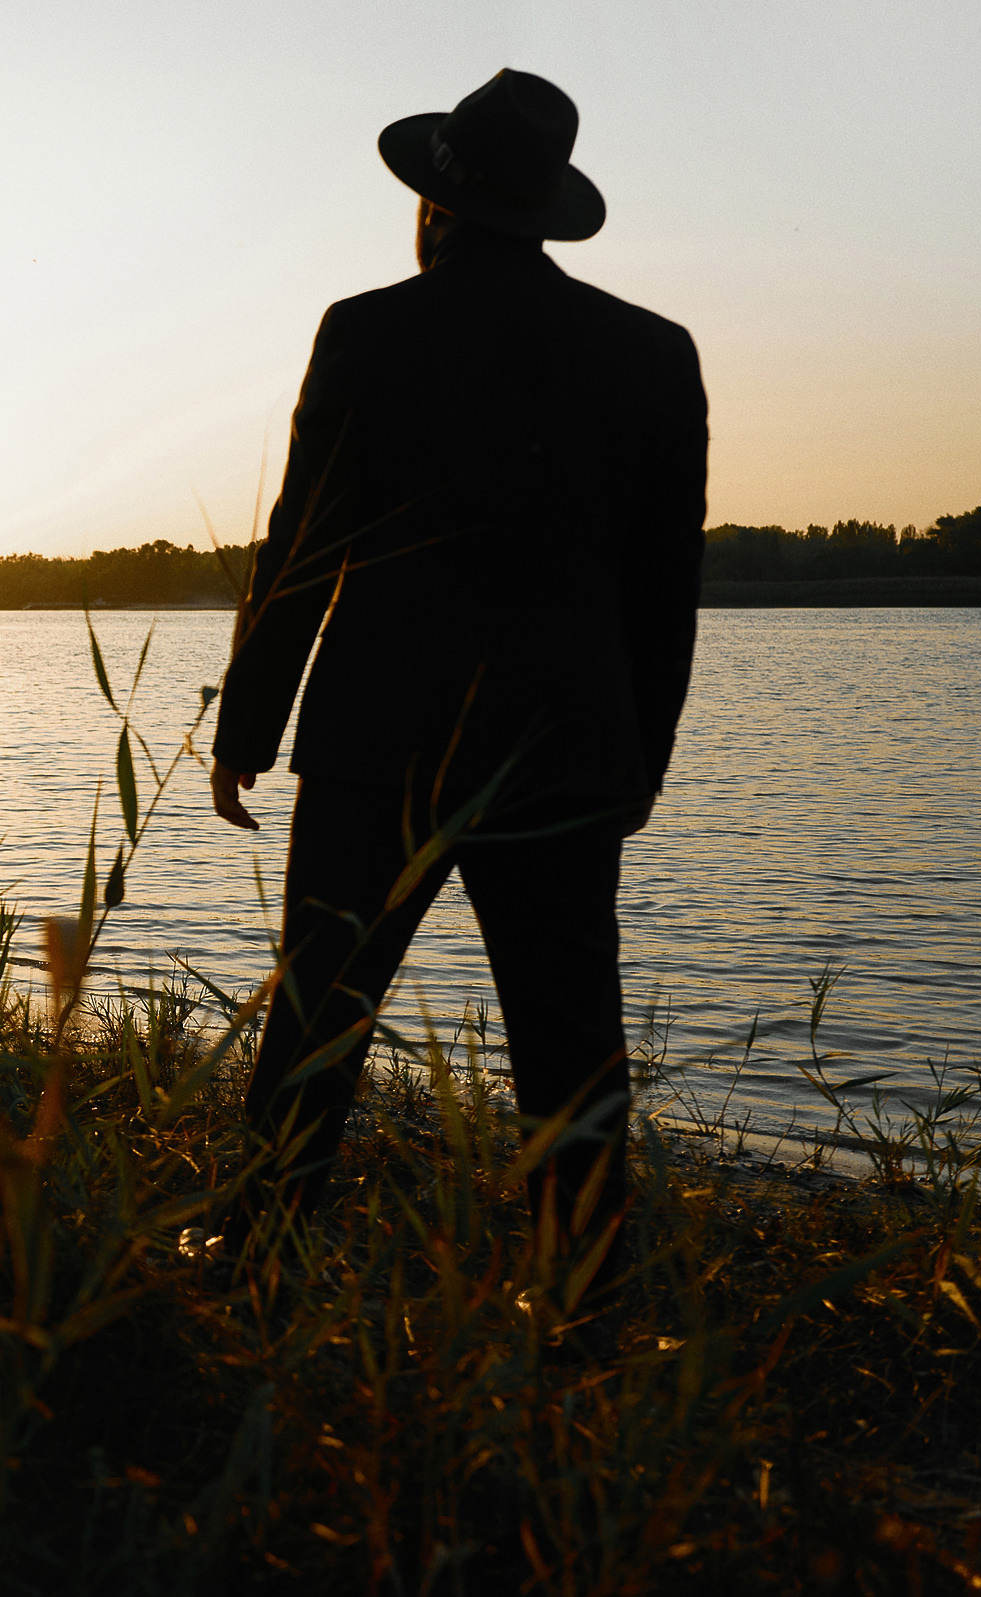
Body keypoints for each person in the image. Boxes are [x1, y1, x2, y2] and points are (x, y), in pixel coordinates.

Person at [208, 70, 708, 1286]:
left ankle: (261, 1259)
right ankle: (583, 1306)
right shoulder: (653, 354)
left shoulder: (370, 330)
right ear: (545, 213)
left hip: (380, 739)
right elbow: (664, 588)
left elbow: (304, 541)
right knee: (571, 1042)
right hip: (568, 746)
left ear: (435, 208)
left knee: (320, 1013)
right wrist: (641, 758)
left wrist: (249, 721)